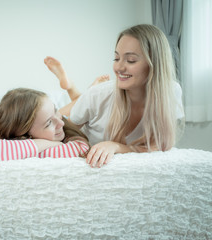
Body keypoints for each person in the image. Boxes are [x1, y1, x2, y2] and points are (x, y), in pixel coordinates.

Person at [45, 24, 184, 168]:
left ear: (154, 64)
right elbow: (57, 131)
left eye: (131, 60)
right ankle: (72, 88)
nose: (119, 67)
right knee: (51, 116)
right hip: (85, 103)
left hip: (93, 96)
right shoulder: (98, 95)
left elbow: (158, 146)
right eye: (116, 59)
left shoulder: (171, 91)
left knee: (85, 97)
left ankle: (75, 90)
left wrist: (116, 147)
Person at [0, 88, 90, 161]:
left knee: (72, 109)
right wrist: (50, 143)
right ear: (23, 134)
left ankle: (83, 90)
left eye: (55, 110)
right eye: (49, 123)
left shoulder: (61, 123)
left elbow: (82, 147)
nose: (61, 123)